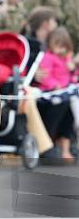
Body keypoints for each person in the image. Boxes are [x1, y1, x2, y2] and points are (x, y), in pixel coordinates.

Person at [36, 27, 76, 161]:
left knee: (69, 112)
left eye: (63, 46)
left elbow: (70, 76)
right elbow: (46, 77)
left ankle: (66, 146)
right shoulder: (48, 57)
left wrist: (72, 70)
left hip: (64, 92)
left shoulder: (65, 59)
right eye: (57, 45)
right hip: (50, 93)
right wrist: (55, 86)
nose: (60, 49)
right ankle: (50, 145)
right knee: (60, 108)